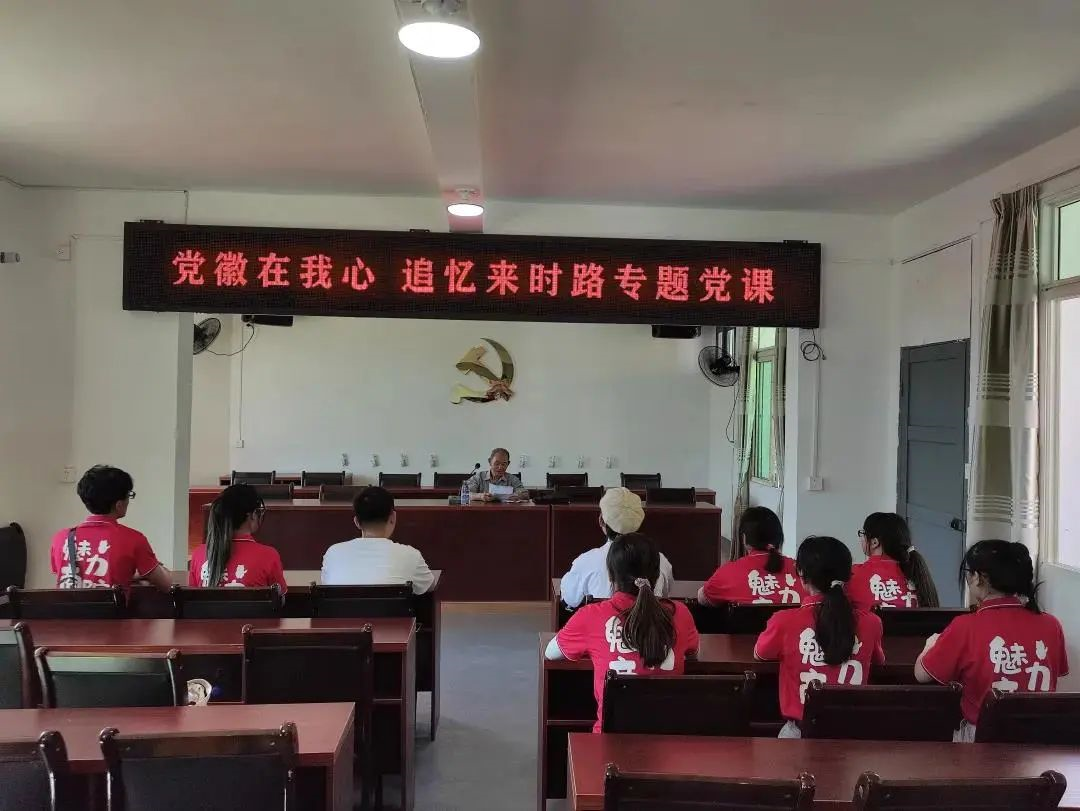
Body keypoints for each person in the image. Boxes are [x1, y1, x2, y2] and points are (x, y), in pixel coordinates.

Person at [915, 540, 1068, 742]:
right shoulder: (1051, 625)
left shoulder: (965, 626)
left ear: (978, 577)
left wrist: (929, 646)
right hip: (1042, 740)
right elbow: (1057, 675)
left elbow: (922, 675)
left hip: (982, 741)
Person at [544, 532, 699, 732]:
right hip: (668, 738)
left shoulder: (590, 616)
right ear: (656, 574)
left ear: (611, 575)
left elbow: (551, 653)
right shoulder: (680, 613)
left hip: (609, 740)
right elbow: (693, 652)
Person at [754, 535, 885, 738]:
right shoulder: (871, 623)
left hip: (799, 734)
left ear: (802, 574)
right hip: (854, 734)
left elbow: (760, 654)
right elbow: (879, 661)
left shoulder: (783, 621)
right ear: (848, 576)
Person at [51, 465, 172, 592]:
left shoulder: (61, 538)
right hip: (111, 606)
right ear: (119, 504)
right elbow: (166, 584)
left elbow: (70, 576)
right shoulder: (133, 539)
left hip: (67, 606)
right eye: (129, 495)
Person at [559, 487, 674, 608]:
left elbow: (569, 600)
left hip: (600, 620)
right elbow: (665, 597)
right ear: (637, 522)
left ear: (601, 520)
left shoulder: (586, 561)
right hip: (649, 620)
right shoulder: (660, 560)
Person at [321, 486, 435, 594]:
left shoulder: (333, 553)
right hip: (391, 609)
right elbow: (429, 586)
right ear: (393, 518)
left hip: (341, 609)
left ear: (356, 522)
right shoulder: (411, 555)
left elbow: (326, 586)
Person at [188, 484, 286, 593]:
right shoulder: (269, 556)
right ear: (253, 515)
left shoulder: (198, 554)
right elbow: (281, 596)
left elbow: (192, 597)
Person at [698, 506, 803, 606]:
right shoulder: (802, 571)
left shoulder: (727, 573)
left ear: (744, 538)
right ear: (779, 537)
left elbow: (702, 598)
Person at [848, 512, 939, 609]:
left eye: (863, 534)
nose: (861, 538)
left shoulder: (853, 575)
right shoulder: (917, 573)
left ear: (874, 542)